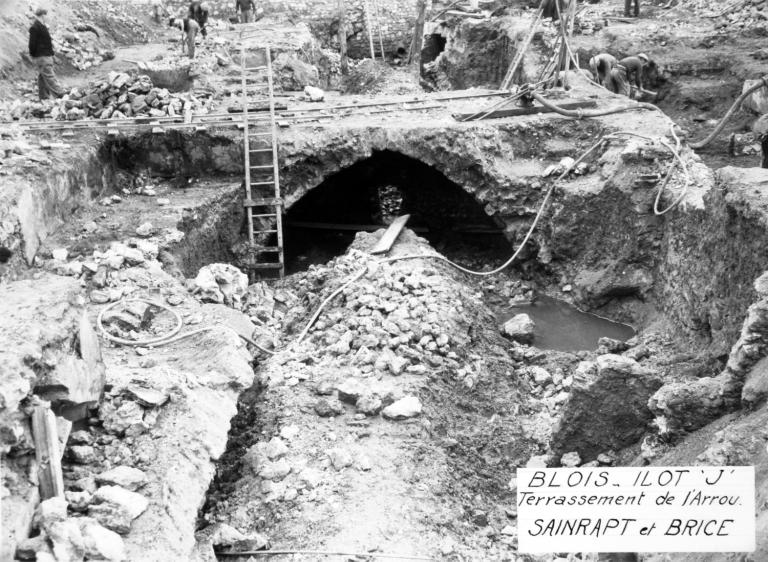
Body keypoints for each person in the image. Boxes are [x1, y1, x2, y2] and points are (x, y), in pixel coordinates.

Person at [28, 8, 65, 100]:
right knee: (49, 75)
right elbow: (32, 44)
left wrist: (52, 54)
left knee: (42, 77)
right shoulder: (35, 27)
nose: (48, 17)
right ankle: (60, 93)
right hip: (41, 56)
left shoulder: (42, 26)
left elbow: (47, 43)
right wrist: (34, 55)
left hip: (45, 55)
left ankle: (43, 97)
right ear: (43, 15)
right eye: (47, 15)